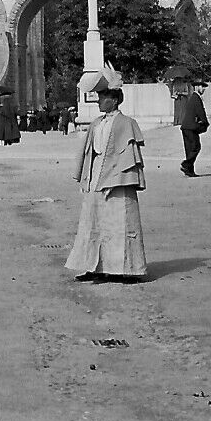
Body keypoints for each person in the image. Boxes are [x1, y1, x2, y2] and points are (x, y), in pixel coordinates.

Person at [65, 74, 148, 282]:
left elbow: (129, 156)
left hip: (119, 180)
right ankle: (94, 266)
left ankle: (127, 269)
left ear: (115, 99)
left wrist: (117, 177)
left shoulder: (127, 123)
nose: (100, 100)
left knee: (120, 224)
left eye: (104, 96)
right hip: (96, 177)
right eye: (99, 96)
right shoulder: (95, 124)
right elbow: (88, 153)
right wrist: (85, 178)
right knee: (94, 223)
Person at [174, 79, 210, 177]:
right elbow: (200, 112)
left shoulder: (193, 97)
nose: (203, 89)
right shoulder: (196, 98)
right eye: (202, 87)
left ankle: (189, 170)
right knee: (196, 147)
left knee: (189, 149)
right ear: (197, 87)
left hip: (186, 127)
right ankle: (186, 164)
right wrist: (205, 123)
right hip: (191, 127)